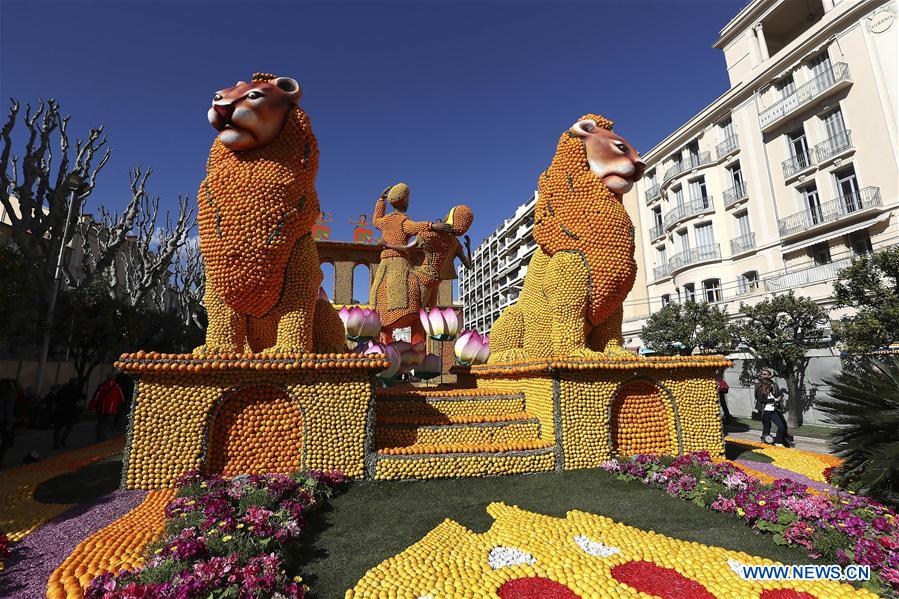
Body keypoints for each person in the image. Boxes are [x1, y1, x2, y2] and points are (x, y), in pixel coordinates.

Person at [754, 369, 791, 447]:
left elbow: (776, 395)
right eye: (762, 374)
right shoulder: (759, 385)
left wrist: (777, 400)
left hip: (773, 409)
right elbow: (759, 398)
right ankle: (765, 440)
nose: (762, 376)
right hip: (764, 409)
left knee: (781, 425)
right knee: (767, 426)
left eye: (764, 374)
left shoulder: (773, 385)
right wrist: (773, 399)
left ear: (769, 376)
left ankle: (779, 441)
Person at [89, 374, 123, 442]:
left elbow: (96, 396)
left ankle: (98, 438)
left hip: (101, 408)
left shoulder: (102, 385)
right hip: (112, 409)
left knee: (100, 424)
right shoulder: (117, 386)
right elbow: (121, 398)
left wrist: (92, 406)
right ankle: (103, 439)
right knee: (107, 424)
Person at [53, 378, 82, 449]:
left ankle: (56, 444)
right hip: (70, 410)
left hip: (60, 410)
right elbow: (83, 396)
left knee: (58, 428)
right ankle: (63, 441)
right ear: (75, 383)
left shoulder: (62, 389)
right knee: (69, 426)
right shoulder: (76, 389)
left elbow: (56, 399)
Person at [0, 378, 17, 467]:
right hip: (4, 421)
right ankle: (1, 461)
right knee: (5, 442)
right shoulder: (9, 395)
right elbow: (9, 411)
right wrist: (9, 424)